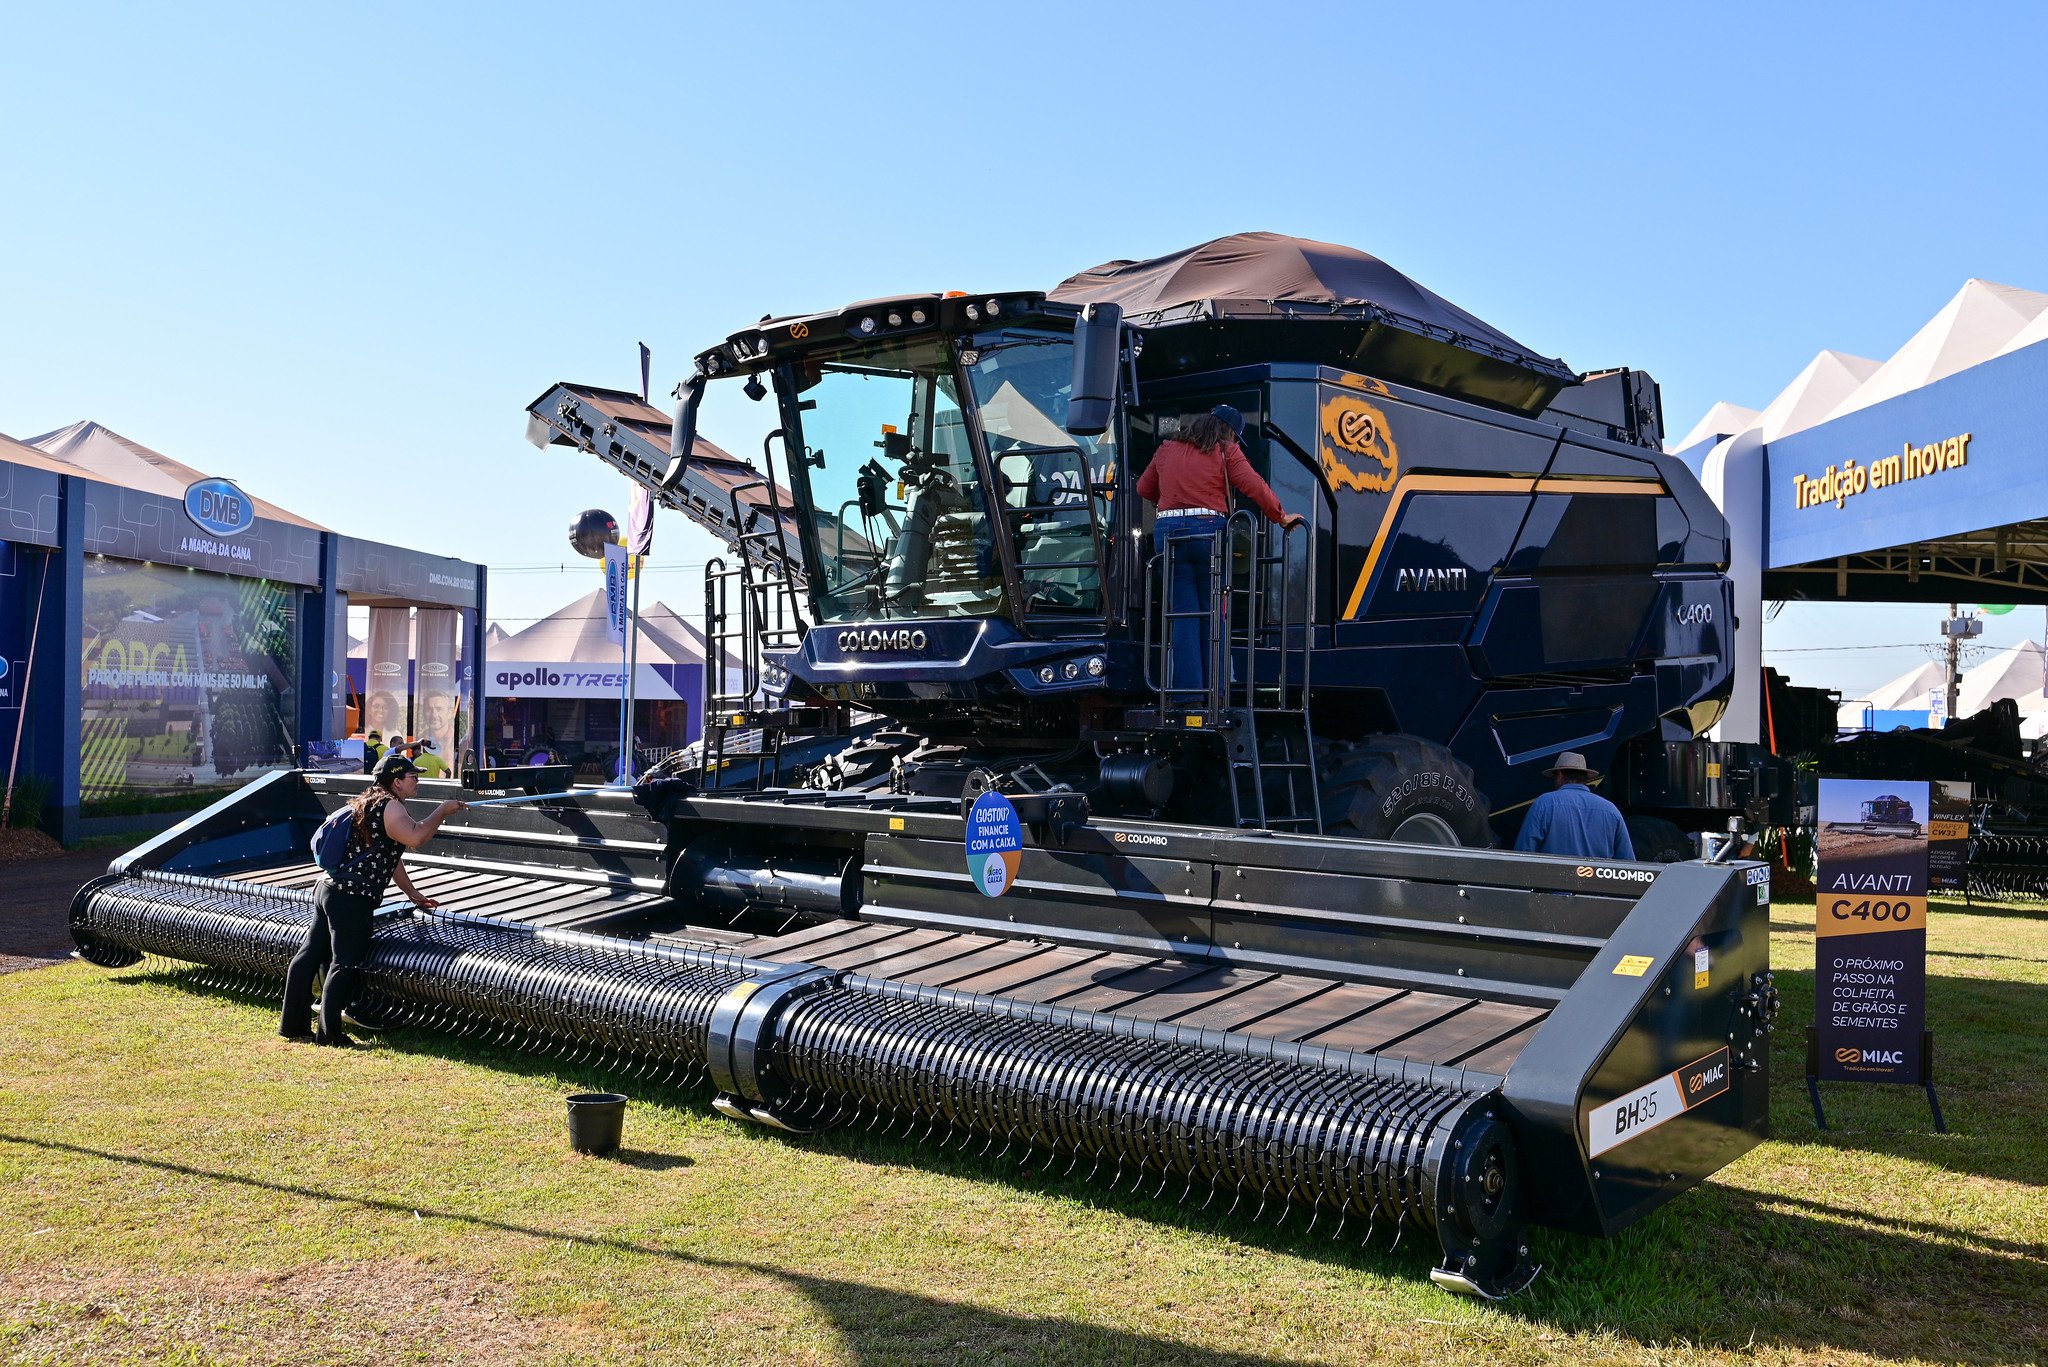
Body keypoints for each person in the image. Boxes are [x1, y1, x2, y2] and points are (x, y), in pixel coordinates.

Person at [279, 753, 467, 1047]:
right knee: (345, 963)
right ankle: (329, 1035)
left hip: (328, 888)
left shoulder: (369, 802)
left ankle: (292, 1025)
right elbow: (416, 837)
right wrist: (441, 811)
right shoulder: (391, 806)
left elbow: (389, 857)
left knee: (309, 955)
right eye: (412, 776)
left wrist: (412, 893)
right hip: (351, 898)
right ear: (396, 781)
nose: (417, 780)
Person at [1136, 405, 1304, 694]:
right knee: (1214, 613)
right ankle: (1216, 691)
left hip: (1169, 534)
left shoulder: (1167, 448)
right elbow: (1254, 485)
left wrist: (1170, 502)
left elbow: (1143, 488)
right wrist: (1281, 516)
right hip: (1208, 533)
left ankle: (1187, 695)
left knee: (1184, 614)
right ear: (1229, 432)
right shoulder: (1226, 450)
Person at [1513, 751, 1635, 860]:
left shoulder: (1544, 804)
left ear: (1560, 774)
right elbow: (1628, 864)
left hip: (1553, 882)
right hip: (1597, 885)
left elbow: (1523, 854)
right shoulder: (1611, 810)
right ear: (1585, 777)